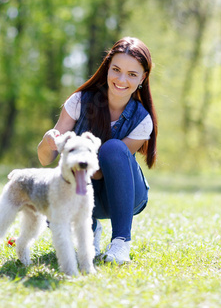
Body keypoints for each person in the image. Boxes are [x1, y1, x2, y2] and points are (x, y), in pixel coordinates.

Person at [37, 37, 158, 264]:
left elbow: (110, 168)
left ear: (143, 78)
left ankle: (121, 242)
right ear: (107, 69)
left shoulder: (142, 120)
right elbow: (46, 159)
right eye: (116, 70)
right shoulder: (79, 102)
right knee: (69, 169)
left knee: (111, 149)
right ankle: (89, 229)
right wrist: (48, 141)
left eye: (132, 74)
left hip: (124, 196)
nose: (122, 79)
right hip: (83, 188)